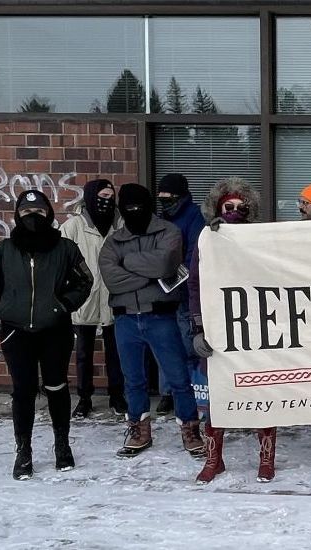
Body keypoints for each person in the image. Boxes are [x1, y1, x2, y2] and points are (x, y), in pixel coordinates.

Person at [0, 190, 93, 480]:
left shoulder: (65, 247)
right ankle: (23, 451)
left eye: (39, 212)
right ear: (17, 215)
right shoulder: (3, 250)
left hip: (55, 330)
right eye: (26, 213)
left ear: (49, 214)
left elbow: (84, 281)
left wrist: (63, 304)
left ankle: (62, 445)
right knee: (23, 391)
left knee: (56, 387)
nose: (33, 218)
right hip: (16, 332)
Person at [99, 183, 203, 459]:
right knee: (133, 380)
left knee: (178, 378)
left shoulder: (168, 231)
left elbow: (166, 265)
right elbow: (112, 279)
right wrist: (150, 274)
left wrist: (129, 263)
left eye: (139, 205)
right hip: (125, 319)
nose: (134, 210)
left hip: (161, 316)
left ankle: (191, 429)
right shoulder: (113, 241)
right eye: (128, 206)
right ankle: (138, 429)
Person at [190, 177, 278, 484]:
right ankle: (214, 459)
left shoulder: (260, 238)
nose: (235, 211)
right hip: (218, 329)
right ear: (217, 207)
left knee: (262, 393)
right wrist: (198, 327)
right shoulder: (206, 240)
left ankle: (266, 458)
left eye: (242, 207)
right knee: (217, 396)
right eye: (229, 206)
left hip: (254, 327)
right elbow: (195, 285)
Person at [60, 178, 127, 418]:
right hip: (84, 299)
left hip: (114, 296)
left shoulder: (121, 224)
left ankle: (117, 396)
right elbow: (61, 261)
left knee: (115, 351)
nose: (105, 202)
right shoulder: (73, 226)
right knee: (83, 353)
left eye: (110, 198)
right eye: (102, 197)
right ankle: (84, 399)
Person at [154, 173, 206, 417]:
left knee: (186, 345)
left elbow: (195, 252)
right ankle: (167, 393)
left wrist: (176, 277)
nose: (165, 200)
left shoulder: (194, 216)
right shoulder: (161, 216)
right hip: (162, 291)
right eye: (161, 197)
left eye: (169, 197)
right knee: (165, 344)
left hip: (183, 290)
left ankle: (188, 390)